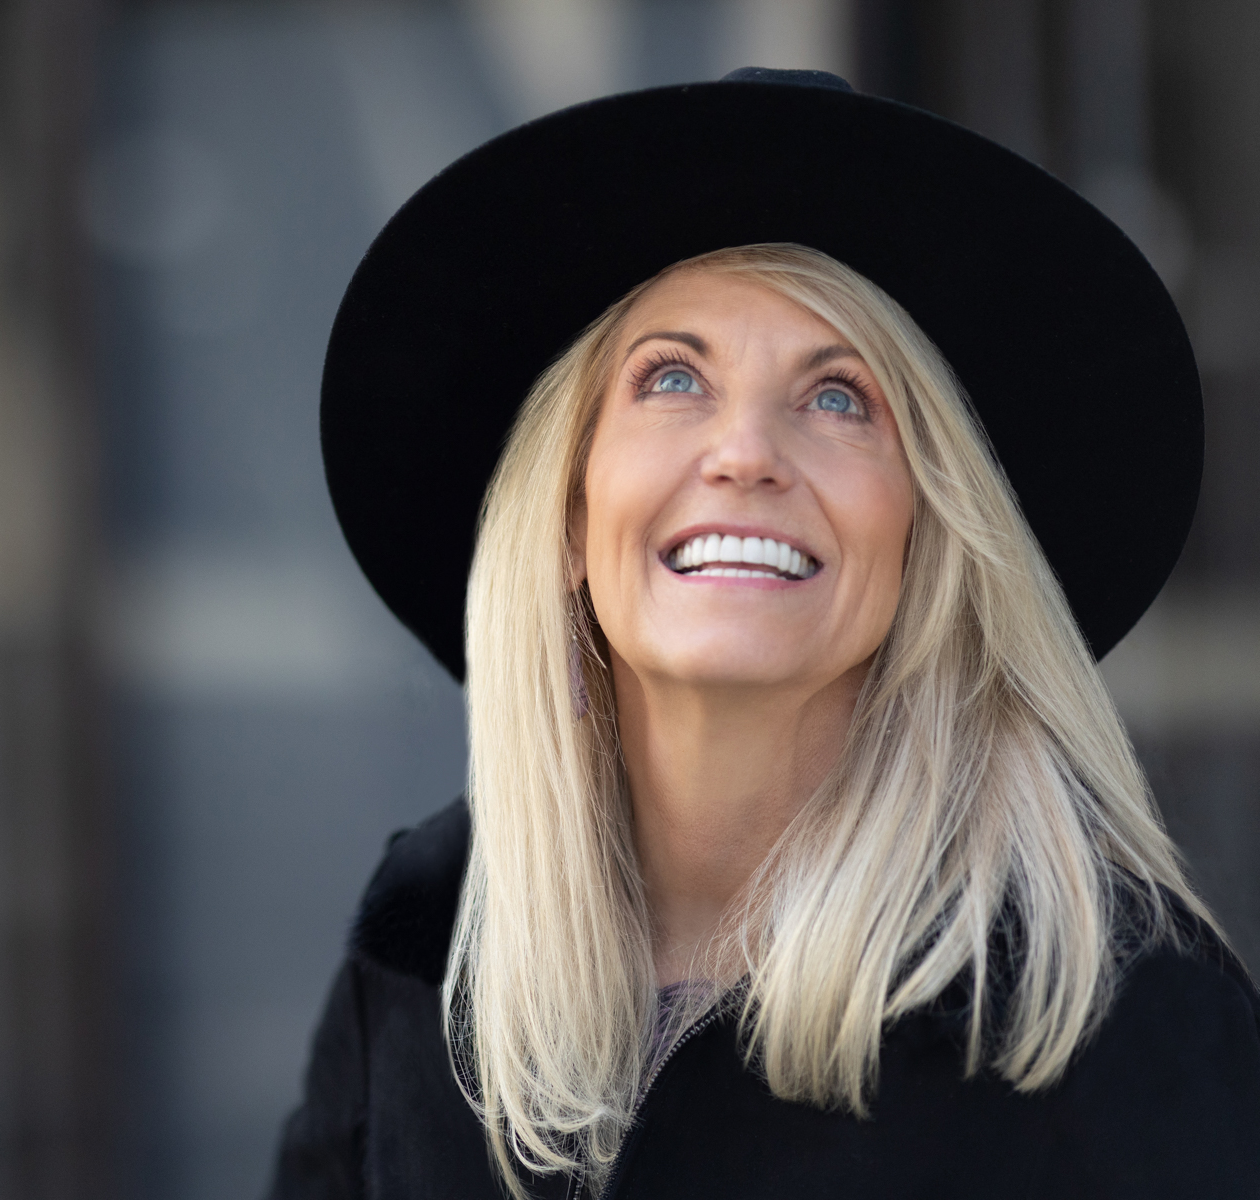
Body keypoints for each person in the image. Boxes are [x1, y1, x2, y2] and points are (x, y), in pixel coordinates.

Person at [268, 69, 1260, 1200]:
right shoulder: (425, 942)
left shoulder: (1120, 1023)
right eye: (673, 377)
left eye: (840, 397)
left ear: (930, 537)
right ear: (569, 520)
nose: (746, 452)